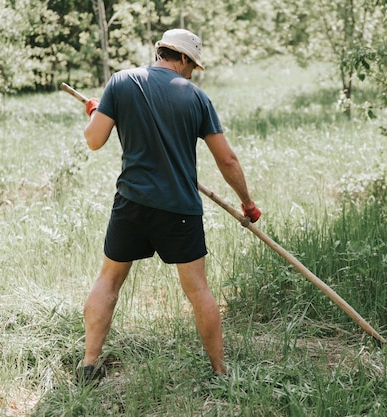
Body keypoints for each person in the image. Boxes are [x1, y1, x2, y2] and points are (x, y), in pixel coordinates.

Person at [78, 28, 261, 384]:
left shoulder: (121, 82)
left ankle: (88, 364)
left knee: (109, 279)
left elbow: (94, 140)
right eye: (192, 65)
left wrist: (97, 113)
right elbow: (228, 161)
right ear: (183, 59)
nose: (192, 73)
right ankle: (221, 372)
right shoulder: (196, 97)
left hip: (131, 203)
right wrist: (248, 203)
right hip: (179, 208)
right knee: (198, 289)